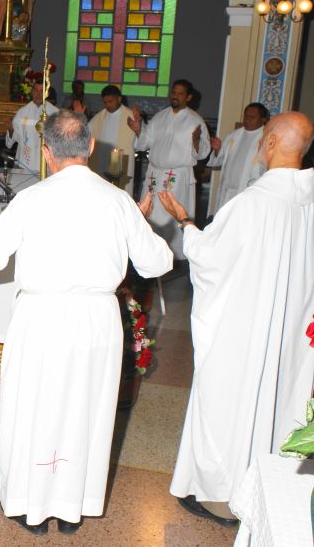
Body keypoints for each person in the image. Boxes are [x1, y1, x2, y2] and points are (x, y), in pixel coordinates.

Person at [0, 110, 172, 535]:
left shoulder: (32, 199)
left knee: (33, 408)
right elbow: (157, 262)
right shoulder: (117, 200)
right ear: (91, 147)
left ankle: (29, 505)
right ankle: (72, 507)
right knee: (86, 409)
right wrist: (136, 223)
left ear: (46, 153)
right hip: (97, 321)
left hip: (41, 319)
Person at [160, 111, 314, 526]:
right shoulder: (309, 199)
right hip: (290, 333)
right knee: (277, 403)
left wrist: (185, 221)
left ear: (270, 143)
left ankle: (223, 497)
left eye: (264, 137)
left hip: (245, 330)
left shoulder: (252, 204)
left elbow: (209, 259)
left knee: (233, 404)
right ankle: (267, 490)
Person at [130, 79, 210, 258]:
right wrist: (138, 130)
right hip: (154, 174)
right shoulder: (160, 117)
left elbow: (202, 153)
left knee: (171, 214)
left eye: (180, 93)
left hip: (177, 176)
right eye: (174, 92)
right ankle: (148, 253)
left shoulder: (195, 121)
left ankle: (173, 255)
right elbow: (144, 143)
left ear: (188, 97)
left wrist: (196, 140)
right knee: (150, 212)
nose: (175, 96)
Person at [206, 103, 269, 217]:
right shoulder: (233, 135)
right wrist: (218, 149)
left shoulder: (267, 139)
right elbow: (219, 160)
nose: (247, 120)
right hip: (227, 191)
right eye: (246, 116)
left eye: (252, 117)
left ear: (263, 119)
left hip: (247, 190)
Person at [88, 85, 138, 193]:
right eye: (105, 102)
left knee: (119, 193)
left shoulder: (131, 116)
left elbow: (141, 143)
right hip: (102, 162)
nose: (108, 105)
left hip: (121, 162)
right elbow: (85, 133)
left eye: (110, 101)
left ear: (119, 99)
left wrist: (139, 130)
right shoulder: (99, 118)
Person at [5, 80, 59, 173]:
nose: (38, 94)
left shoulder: (55, 113)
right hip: (25, 163)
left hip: (47, 163)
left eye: (41, 91)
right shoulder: (22, 112)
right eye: (35, 90)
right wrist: (10, 130)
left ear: (47, 93)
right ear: (32, 91)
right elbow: (11, 142)